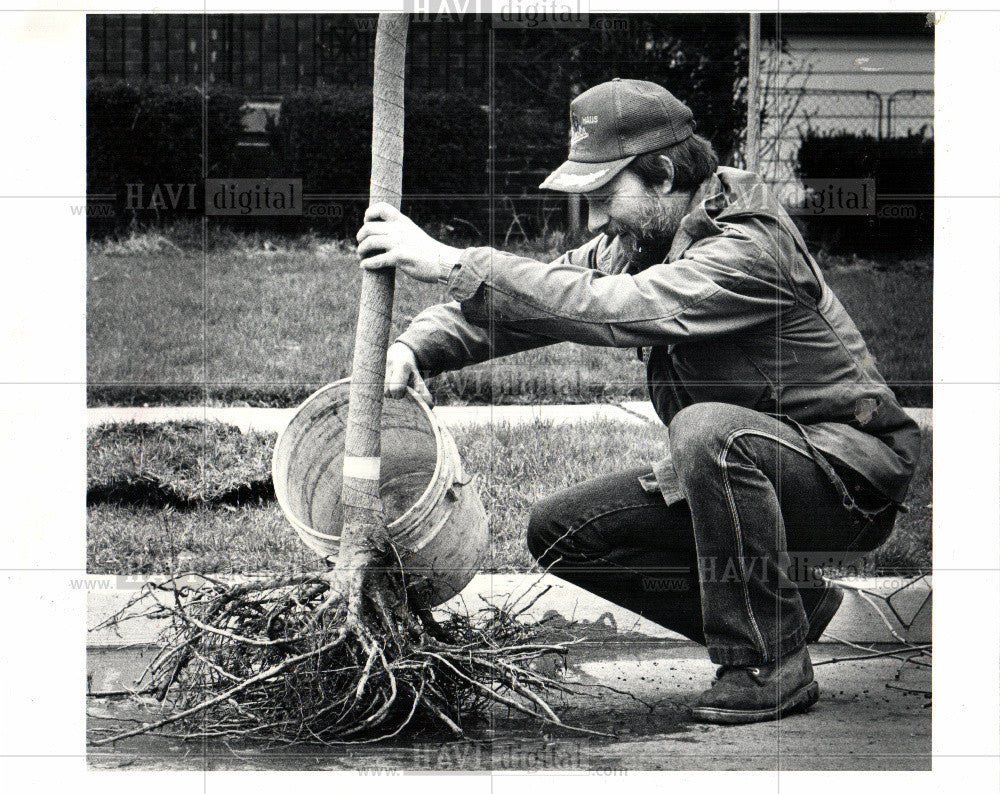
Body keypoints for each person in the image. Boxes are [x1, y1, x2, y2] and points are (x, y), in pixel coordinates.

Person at [355, 78, 921, 725]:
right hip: (759, 475)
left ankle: (769, 663)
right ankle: (788, 608)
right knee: (564, 532)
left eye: (604, 197)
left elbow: (625, 309)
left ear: (660, 171)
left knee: (708, 432)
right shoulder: (646, 239)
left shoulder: (748, 247)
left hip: (848, 479)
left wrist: (455, 259)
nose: (597, 219)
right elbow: (532, 306)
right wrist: (413, 347)